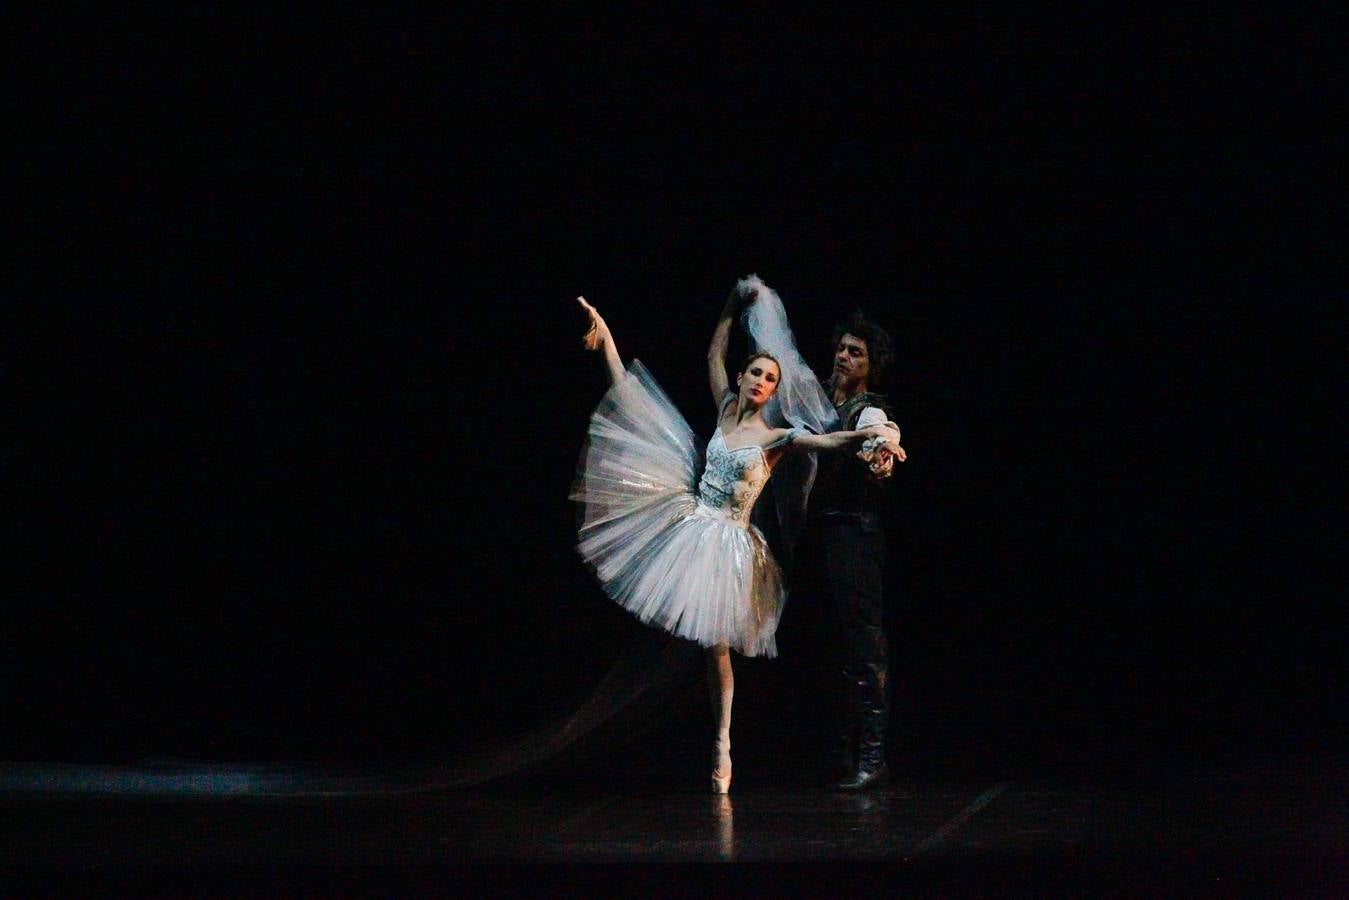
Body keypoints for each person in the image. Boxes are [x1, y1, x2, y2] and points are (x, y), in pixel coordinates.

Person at [571, 280, 900, 794]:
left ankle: (723, 741)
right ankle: (701, 734)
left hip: (730, 541)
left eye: (771, 378)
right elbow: (713, 352)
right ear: (744, 378)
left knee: (718, 647)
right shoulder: (725, 407)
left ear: (774, 390)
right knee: (702, 645)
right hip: (691, 522)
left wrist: (876, 435)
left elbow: (830, 439)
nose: (761, 382)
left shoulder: (775, 437)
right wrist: (729, 304)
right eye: (756, 373)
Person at [808, 311, 905, 790]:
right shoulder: (823, 398)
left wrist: (882, 456)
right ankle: (838, 751)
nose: (844, 357)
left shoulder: (866, 410)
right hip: (825, 534)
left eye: (856, 353)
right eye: (842, 348)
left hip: (855, 534)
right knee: (833, 645)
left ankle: (872, 756)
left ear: (871, 366)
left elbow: (880, 437)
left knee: (864, 645)